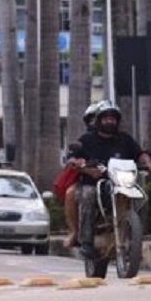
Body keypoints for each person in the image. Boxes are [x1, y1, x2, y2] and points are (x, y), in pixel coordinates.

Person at [67, 100, 151, 259]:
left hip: (122, 183)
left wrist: (149, 164)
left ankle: (136, 238)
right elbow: (73, 158)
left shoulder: (125, 139)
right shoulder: (87, 139)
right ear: (99, 120)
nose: (110, 121)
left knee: (144, 198)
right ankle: (86, 242)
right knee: (87, 195)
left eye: (113, 118)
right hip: (95, 184)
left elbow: (140, 154)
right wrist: (82, 166)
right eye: (106, 118)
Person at [62, 102, 99, 248]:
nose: (95, 122)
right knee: (71, 193)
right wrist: (77, 163)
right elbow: (71, 158)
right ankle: (77, 233)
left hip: (118, 182)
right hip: (89, 182)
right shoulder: (84, 140)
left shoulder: (121, 139)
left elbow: (137, 154)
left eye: (99, 118)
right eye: (92, 119)